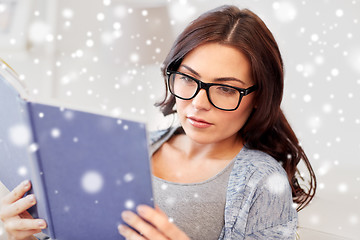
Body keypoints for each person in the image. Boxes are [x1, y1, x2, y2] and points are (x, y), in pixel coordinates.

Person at [0, 5, 316, 240]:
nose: (197, 103)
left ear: (259, 96)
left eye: (225, 89)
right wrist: (23, 234)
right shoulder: (131, 146)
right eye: (188, 79)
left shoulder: (262, 183)